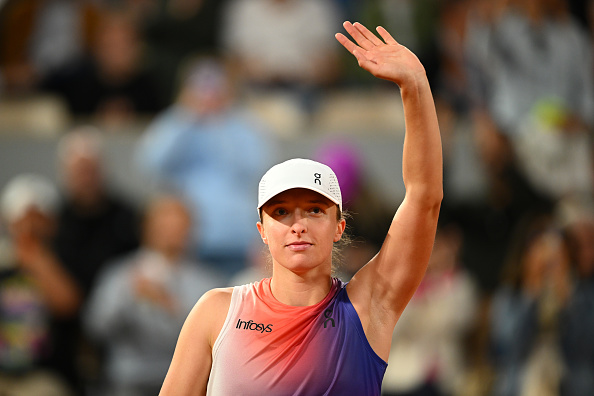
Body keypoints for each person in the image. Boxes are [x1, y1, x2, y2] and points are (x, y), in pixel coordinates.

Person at [159, 21, 443, 395]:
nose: (298, 225)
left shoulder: (368, 307)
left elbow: (424, 199)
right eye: (281, 213)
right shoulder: (216, 312)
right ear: (261, 230)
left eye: (314, 210)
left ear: (339, 225)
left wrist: (415, 86)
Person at [84, 195, 223, 396]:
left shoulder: (208, 282)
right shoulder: (121, 274)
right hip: (128, 379)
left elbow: (214, 340)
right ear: (146, 227)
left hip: (186, 381)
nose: (172, 233)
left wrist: (169, 305)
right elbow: (96, 328)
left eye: (179, 226)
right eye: (164, 225)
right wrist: (128, 295)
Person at [0, 174, 81, 396]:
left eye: (38, 219)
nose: (30, 226)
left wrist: (36, 260)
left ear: (53, 222)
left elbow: (67, 305)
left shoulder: (67, 259)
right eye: (22, 218)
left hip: (44, 375)